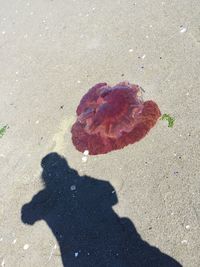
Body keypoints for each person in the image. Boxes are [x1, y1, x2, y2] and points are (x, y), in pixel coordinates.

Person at [21, 153, 182, 267]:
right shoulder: (81, 182)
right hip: (113, 244)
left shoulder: (44, 196)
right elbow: (112, 197)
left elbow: (26, 216)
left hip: (81, 258)